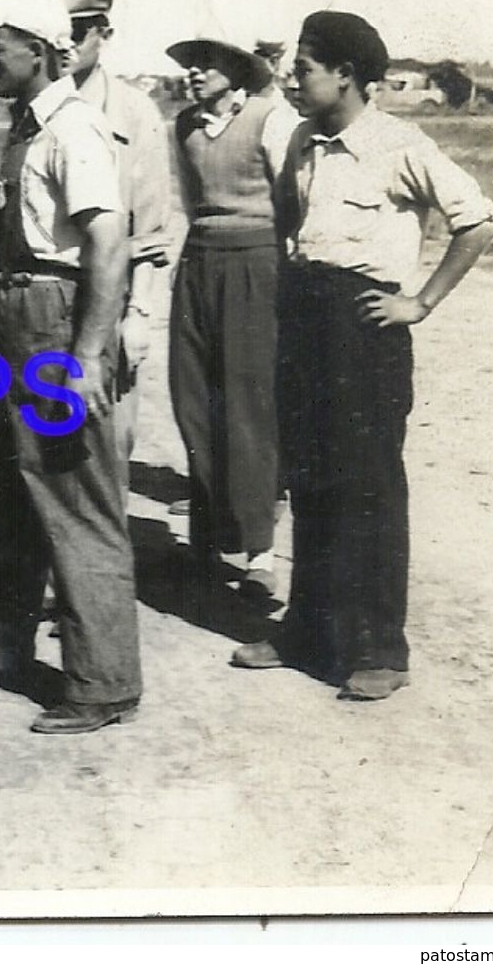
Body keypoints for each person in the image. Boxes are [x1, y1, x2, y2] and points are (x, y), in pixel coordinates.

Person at [231, 12, 493, 701]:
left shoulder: (396, 144)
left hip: (364, 326)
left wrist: (420, 301)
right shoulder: (297, 141)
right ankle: (307, 630)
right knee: (310, 475)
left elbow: (477, 220)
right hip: (306, 317)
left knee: (369, 486)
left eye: (305, 69)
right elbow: (294, 227)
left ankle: (379, 647)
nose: (293, 79)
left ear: (345, 75)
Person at [0, 0, 140, 734]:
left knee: (74, 500)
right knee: (8, 492)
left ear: (35, 51)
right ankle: (4, 642)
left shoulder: (75, 130)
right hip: (15, 317)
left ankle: (102, 683)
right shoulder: (25, 129)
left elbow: (106, 243)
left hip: (54, 323)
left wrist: (87, 356)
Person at [165, 36, 300, 598]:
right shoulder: (184, 126)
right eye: (188, 67)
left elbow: (291, 199)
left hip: (256, 265)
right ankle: (208, 539)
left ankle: (259, 554)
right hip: (198, 264)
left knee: (247, 404)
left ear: (234, 73)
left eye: (205, 66)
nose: (194, 75)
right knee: (193, 399)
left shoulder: (270, 120)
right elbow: (185, 201)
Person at [55, 0, 175, 482]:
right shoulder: (38, 110)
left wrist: (140, 313)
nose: (69, 44)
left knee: (106, 442)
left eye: (81, 32)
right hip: (48, 304)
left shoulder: (133, 113)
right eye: (61, 32)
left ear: (104, 34)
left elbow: (148, 231)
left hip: (108, 302)